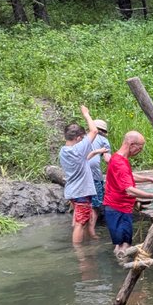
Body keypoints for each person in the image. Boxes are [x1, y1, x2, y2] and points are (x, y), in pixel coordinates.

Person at [103, 131, 153, 252]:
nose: (140, 151)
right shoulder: (120, 163)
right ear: (132, 144)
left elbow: (127, 176)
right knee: (125, 246)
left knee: (119, 244)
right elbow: (130, 191)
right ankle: (124, 267)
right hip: (119, 209)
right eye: (140, 148)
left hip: (115, 207)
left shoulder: (117, 157)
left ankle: (119, 265)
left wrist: (149, 178)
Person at [58, 105, 100, 245]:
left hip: (72, 190)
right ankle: (79, 253)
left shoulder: (64, 150)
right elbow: (94, 130)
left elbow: (78, 162)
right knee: (80, 223)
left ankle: (88, 242)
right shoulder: (78, 148)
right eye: (81, 138)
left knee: (82, 219)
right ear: (77, 138)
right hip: (81, 191)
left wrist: (92, 154)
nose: (83, 140)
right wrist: (86, 114)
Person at [86, 119, 113, 228]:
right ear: (104, 131)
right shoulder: (103, 140)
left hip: (79, 173)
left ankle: (80, 227)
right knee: (95, 205)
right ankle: (91, 229)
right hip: (94, 174)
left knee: (83, 202)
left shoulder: (83, 138)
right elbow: (107, 159)